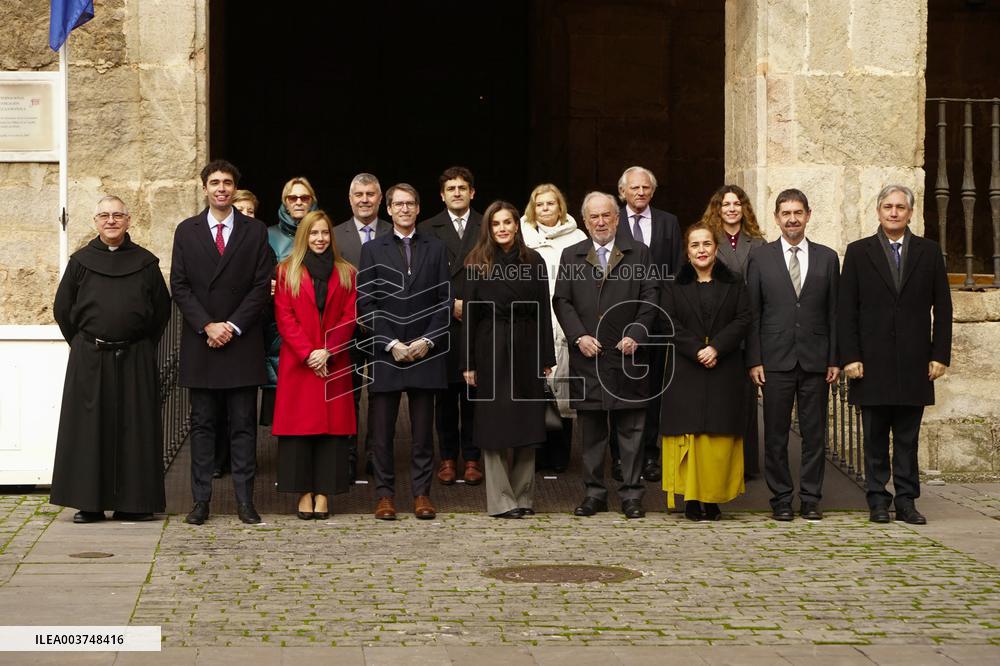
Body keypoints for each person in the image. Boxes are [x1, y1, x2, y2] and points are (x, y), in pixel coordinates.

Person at [50, 195, 171, 523]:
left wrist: (139, 344)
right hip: (90, 356)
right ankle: (89, 504)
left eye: (118, 215)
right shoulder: (80, 262)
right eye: (104, 215)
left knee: (135, 429)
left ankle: (134, 503)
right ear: (95, 222)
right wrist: (84, 344)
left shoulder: (146, 263)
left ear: (129, 220)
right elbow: (63, 310)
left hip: (134, 356)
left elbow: (161, 310)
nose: (111, 221)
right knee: (90, 431)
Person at [838, 184, 952, 525]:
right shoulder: (858, 252)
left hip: (914, 363)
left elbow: (943, 309)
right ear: (878, 211)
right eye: (887, 206)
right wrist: (850, 357)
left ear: (910, 212)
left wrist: (940, 355)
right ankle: (876, 499)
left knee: (907, 438)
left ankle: (906, 501)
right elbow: (847, 311)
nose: (893, 212)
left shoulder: (929, 252)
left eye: (900, 207)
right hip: (870, 364)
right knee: (873, 437)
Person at [170, 160, 274, 525]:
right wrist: (207, 325)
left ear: (234, 189)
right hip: (203, 342)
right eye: (214, 183)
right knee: (203, 425)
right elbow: (179, 285)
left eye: (227, 183)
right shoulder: (186, 231)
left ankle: (245, 501)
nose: (221, 189)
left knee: (243, 426)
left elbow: (262, 285)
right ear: (204, 188)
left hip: (241, 342)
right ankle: (201, 502)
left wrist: (231, 325)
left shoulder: (255, 230)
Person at [552, 191, 658, 519]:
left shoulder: (639, 254)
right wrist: (578, 335)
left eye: (606, 216)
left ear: (617, 218)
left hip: (628, 358)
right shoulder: (572, 255)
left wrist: (636, 334)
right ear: (585, 221)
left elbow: (650, 297)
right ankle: (594, 493)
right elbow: (562, 300)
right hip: (588, 358)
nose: (601, 222)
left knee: (631, 430)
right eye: (594, 217)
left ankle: (631, 495)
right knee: (593, 432)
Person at [357, 183, 451, 520]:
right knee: (381, 434)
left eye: (410, 203)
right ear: (389, 209)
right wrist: (392, 343)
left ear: (418, 208)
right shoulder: (372, 250)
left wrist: (428, 341)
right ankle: (384, 495)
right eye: (398, 204)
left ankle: (422, 494)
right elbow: (366, 304)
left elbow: (444, 301)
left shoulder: (437, 249)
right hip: (388, 352)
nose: (405, 209)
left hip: (426, 352)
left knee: (423, 434)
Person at [746, 189, 840, 521]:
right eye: (785, 213)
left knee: (815, 434)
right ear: (776, 218)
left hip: (816, 359)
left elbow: (834, 313)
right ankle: (782, 498)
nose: (792, 219)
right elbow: (753, 313)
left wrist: (834, 358)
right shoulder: (760, 257)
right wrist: (754, 359)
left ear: (808, 215)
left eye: (798, 212)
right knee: (775, 434)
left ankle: (812, 498)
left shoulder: (828, 258)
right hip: (774, 360)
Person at [463, 201, 556, 518]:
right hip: (491, 347)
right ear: (488, 229)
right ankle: (501, 501)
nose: (502, 228)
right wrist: (469, 363)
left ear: (517, 225)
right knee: (495, 423)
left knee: (528, 421)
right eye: (495, 224)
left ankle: (523, 497)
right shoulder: (477, 262)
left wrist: (547, 356)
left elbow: (544, 308)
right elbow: (471, 317)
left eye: (507, 222)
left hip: (528, 346)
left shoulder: (535, 260)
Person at [660, 223, 752, 521]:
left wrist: (717, 348)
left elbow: (744, 318)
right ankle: (691, 498)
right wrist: (697, 349)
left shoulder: (735, 283)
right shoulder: (674, 286)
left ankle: (714, 500)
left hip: (724, 369)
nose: (701, 250)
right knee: (690, 436)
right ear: (687, 252)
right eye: (695, 245)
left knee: (717, 438)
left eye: (706, 244)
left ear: (716, 248)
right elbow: (669, 321)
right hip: (686, 370)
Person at [272, 210, 357, 519]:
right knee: (298, 433)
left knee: (331, 434)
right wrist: (309, 353)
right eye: (313, 234)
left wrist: (328, 351)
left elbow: (350, 317)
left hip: (333, 363)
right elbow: (285, 317)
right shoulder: (286, 272)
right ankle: (304, 493)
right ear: (303, 237)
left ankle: (324, 494)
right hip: (299, 364)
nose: (319, 239)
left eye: (324, 233)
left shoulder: (347, 272)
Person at [612, 165, 684, 482]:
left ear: (652, 191)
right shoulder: (610, 221)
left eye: (646, 188)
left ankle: (651, 455)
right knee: (620, 389)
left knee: (655, 389)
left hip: (658, 321)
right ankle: (620, 457)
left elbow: (678, 271)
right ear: (622, 192)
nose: (640, 193)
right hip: (622, 318)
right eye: (634, 188)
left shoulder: (669, 222)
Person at [420, 166, 483, 486]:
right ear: (442, 195)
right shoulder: (428, 228)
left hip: (479, 322)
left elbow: (498, 273)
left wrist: (470, 305)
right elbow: (422, 277)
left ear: (472, 192)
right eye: (450, 189)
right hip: (443, 322)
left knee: (475, 395)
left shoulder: (489, 224)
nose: (457, 193)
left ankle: (472, 457)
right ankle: (447, 457)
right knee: (444, 398)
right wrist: (450, 304)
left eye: (462, 188)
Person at [520, 183, 587, 473]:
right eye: (540, 204)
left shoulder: (578, 237)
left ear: (561, 207)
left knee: (564, 390)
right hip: (532, 317)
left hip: (565, 318)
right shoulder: (521, 235)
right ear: (532, 209)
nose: (545, 209)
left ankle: (560, 458)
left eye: (551, 203)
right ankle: (532, 454)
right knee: (532, 388)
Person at [701, 184, 766, 479]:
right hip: (718, 329)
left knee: (747, 403)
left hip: (751, 328)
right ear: (718, 208)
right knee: (719, 402)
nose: (731, 208)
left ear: (744, 208)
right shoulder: (707, 241)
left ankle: (747, 465)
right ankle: (720, 466)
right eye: (725, 204)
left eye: (736, 203)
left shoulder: (759, 244)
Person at [333, 173, 393, 481]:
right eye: (359, 194)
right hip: (348, 329)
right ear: (350, 198)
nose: (365, 199)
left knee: (382, 394)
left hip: (386, 327)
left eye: (371, 194)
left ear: (381, 199)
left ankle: (376, 453)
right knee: (349, 393)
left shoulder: (394, 231)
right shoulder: (334, 235)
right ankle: (348, 453)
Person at [261, 177, 319, 426]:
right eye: (292, 197)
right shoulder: (268, 235)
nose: (298, 202)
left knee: (315, 398)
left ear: (312, 201)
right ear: (284, 202)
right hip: (279, 325)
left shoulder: (322, 232)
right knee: (284, 403)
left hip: (317, 322)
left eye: (304, 198)